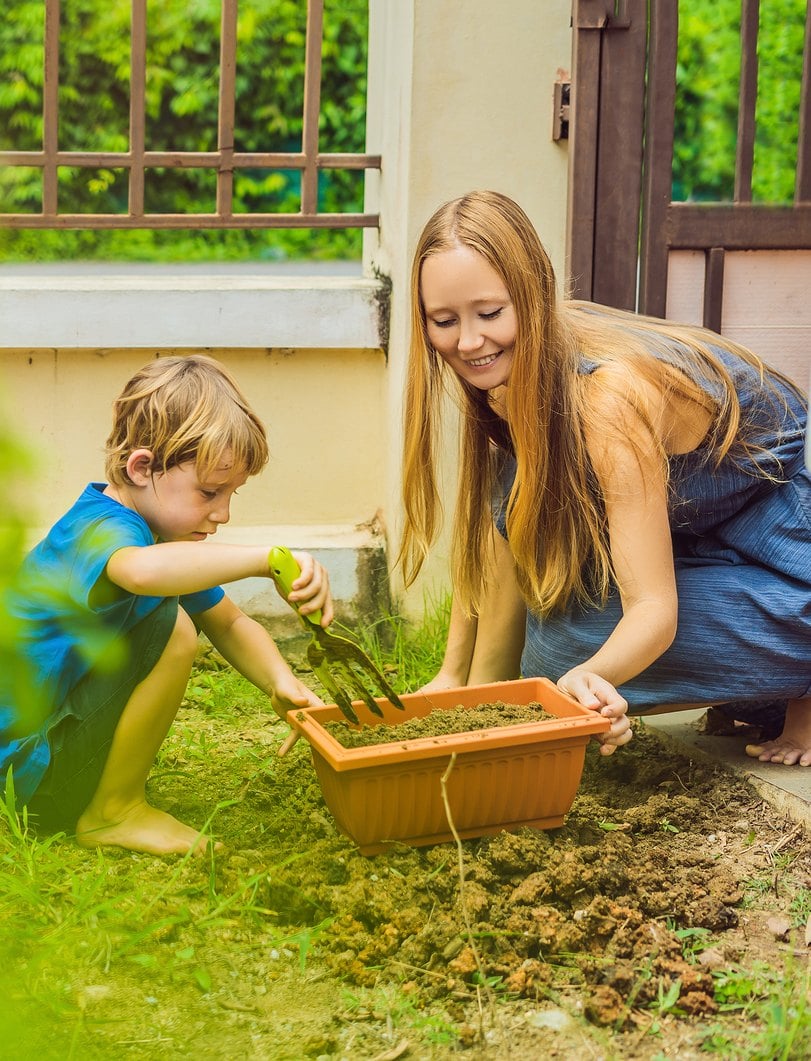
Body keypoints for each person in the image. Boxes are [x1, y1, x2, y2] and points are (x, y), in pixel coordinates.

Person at [399, 190, 810, 765]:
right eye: (445, 321)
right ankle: (765, 693)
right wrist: (458, 684)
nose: (468, 341)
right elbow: (505, 526)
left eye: (490, 314)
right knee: (551, 646)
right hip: (709, 534)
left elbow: (653, 609)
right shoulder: (513, 376)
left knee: (566, 652)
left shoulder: (605, 394)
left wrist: (590, 681)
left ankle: (794, 691)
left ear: (534, 296)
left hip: (787, 521)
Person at [0, 355, 333, 855]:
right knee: (170, 623)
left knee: (176, 616)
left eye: (231, 493)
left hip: (39, 761)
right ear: (142, 467)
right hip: (23, 778)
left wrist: (282, 682)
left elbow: (229, 621)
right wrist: (262, 560)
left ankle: (108, 799)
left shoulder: (156, 539)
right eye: (210, 492)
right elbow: (139, 573)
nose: (222, 513)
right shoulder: (101, 530)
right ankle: (114, 812)